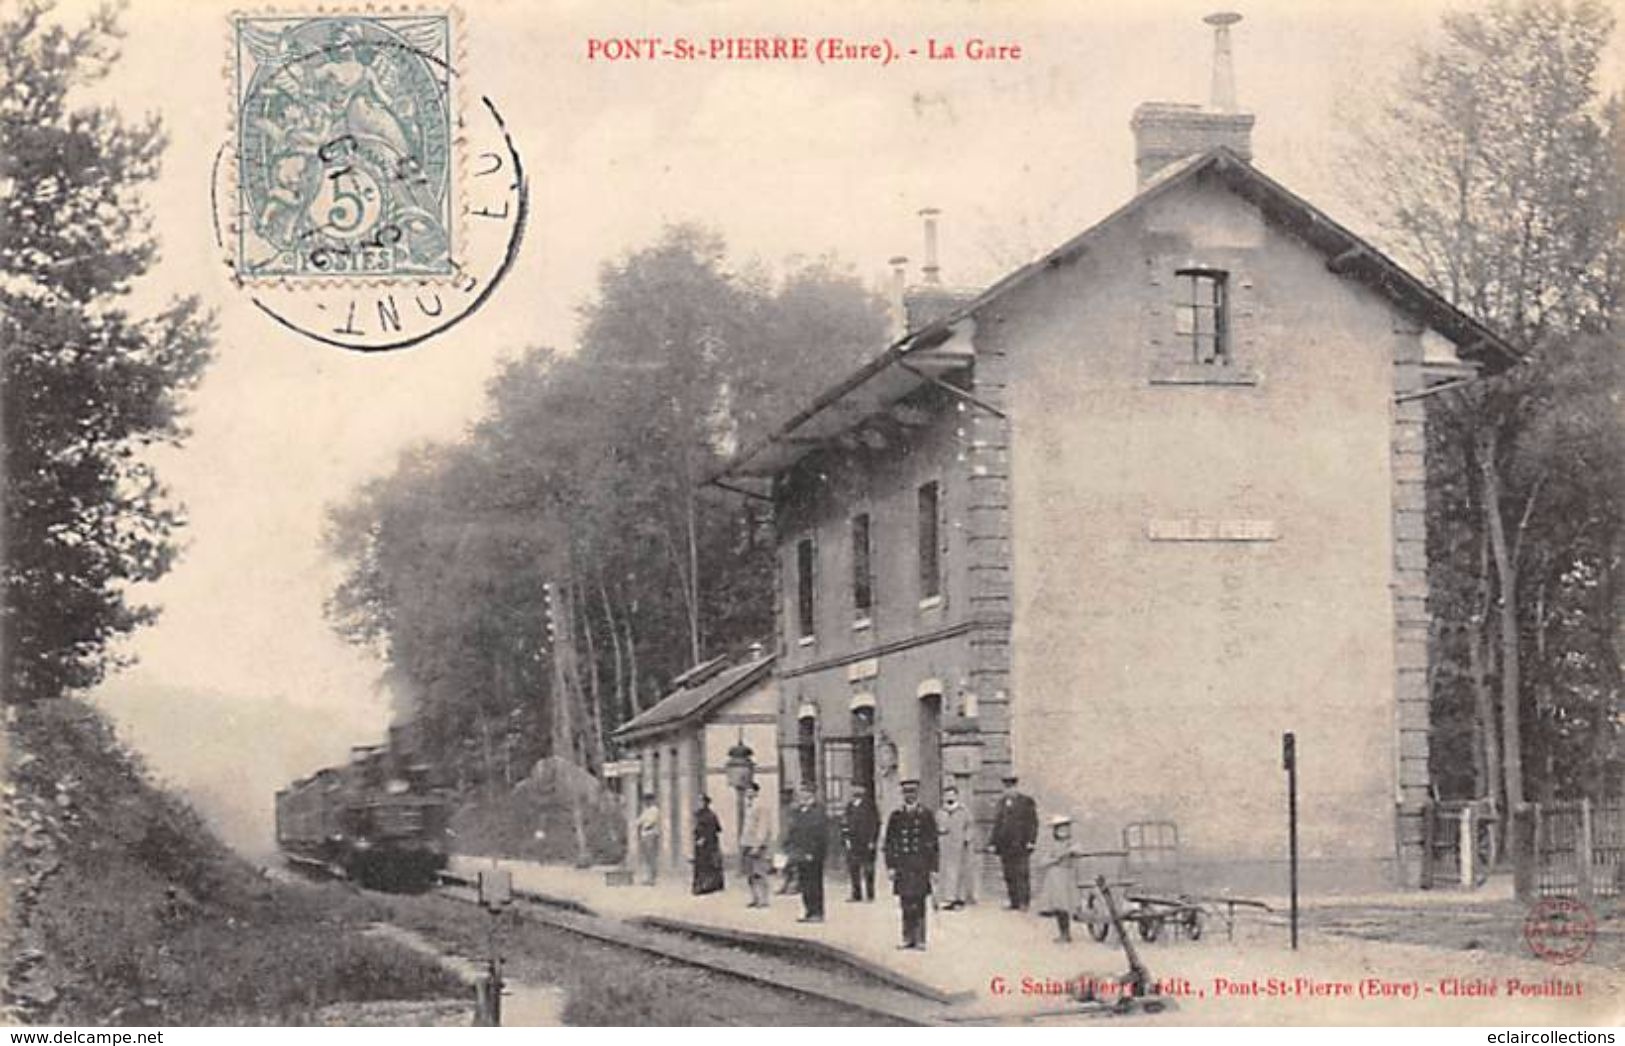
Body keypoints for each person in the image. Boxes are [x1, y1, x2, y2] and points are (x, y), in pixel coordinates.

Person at [883, 779, 939, 950]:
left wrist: (934, 869)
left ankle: (920, 938)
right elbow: (890, 842)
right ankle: (907, 937)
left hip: (920, 865)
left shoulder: (926, 815)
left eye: (912, 793)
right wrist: (890, 866)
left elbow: (933, 843)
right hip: (903, 865)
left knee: (919, 901)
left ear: (917, 794)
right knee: (905, 902)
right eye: (906, 793)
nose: (909, 796)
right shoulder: (896, 816)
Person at [988, 773, 1037, 909]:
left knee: (1022, 873)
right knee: (1008, 873)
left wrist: (1031, 841)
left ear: (1016, 787)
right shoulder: (1002, 803)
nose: (1009, 790)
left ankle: (1024, 902)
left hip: (1021, 843)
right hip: (1005, 845)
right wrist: (992, 842)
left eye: (1012, 787)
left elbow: (1033, 823)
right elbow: (997, 824)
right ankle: (1014, 901)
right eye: (1006, 787)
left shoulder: (1026, 802)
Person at [1035, 815, 1082, 943]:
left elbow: (1079, 852)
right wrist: (1055, 859)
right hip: (1056, 876)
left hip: (1069, 875)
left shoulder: (1072, 843)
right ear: (1055, 831)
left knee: (1070, 902)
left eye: (1066, 829)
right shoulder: (1052, 845)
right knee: (1060, 905)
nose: (1063, 832)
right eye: (1060, 830)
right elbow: (1042, 862)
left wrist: (1072, 852)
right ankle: (1064, 933)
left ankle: (1073, 922)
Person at [785, 783, 828, 922]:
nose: (802, 795)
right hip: (800, 851)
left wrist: (813, 852)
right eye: (801, 792)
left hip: (813, 853)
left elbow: (820, 834)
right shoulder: (798, 811)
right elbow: (793, 832)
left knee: (814, 883)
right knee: (804, 883)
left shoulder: (818, 811)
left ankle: (817, 912)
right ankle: (808, 911)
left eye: (805, 792)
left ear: (812, 794)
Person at [937, 784, 977, 909]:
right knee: (946, 872)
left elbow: (970, 826)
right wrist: (939, 832)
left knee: (960, 872)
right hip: (945, 846)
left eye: (952, 794)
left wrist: (967, 838)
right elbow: (934, 827)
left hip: (959, 846)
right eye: (947, 795)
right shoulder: (940, 812)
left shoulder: (963, 811)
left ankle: (960, 898)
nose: (949, 797)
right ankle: (948, 898)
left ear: (956, 796)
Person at [841, 782, 880, 902]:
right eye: (853, 787)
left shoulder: (869, 806)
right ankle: (856, 893)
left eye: (858, 787)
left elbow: (875, 823)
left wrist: (873, 840)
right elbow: (844, 823)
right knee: (853, 868)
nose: (855, 790)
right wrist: (846, 838)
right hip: (853, 842)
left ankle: (870, 894)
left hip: (866, 841)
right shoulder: (849, 806)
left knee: (868, 868)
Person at [739, 782, 774, 908]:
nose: (748, 794)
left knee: (760, 872)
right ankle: (755, 897)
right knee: (750, 874)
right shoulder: (748, 806)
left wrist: (758, 845)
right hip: (747, 843)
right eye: (746, 792)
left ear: (756, 792)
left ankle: (764, 899)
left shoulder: (761, 806)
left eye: (751, 791)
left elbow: (763, 827)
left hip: (758, 845)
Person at [692, 795, 724, 895]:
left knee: (709, 864)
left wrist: (704, 838)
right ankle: (700, 885)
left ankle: (708, 886)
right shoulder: (698, 815)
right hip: (700, 844)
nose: (699, 804)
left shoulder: (710, 815)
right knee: (700, 865)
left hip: (709, 844)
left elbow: (716, 829)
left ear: (706, 803)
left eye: (701, 802)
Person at [636, 794, 662, 886]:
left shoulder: (654, 810)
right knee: (646, 857)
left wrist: (644, 824)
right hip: (645, 834)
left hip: (651, 834)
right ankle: (647, 877)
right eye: (645, 801)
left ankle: (652, 878)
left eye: (648, 800)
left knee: (651, 857)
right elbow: (639, 821)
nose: (646, 802)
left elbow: (651, 822)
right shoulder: (646, 810)